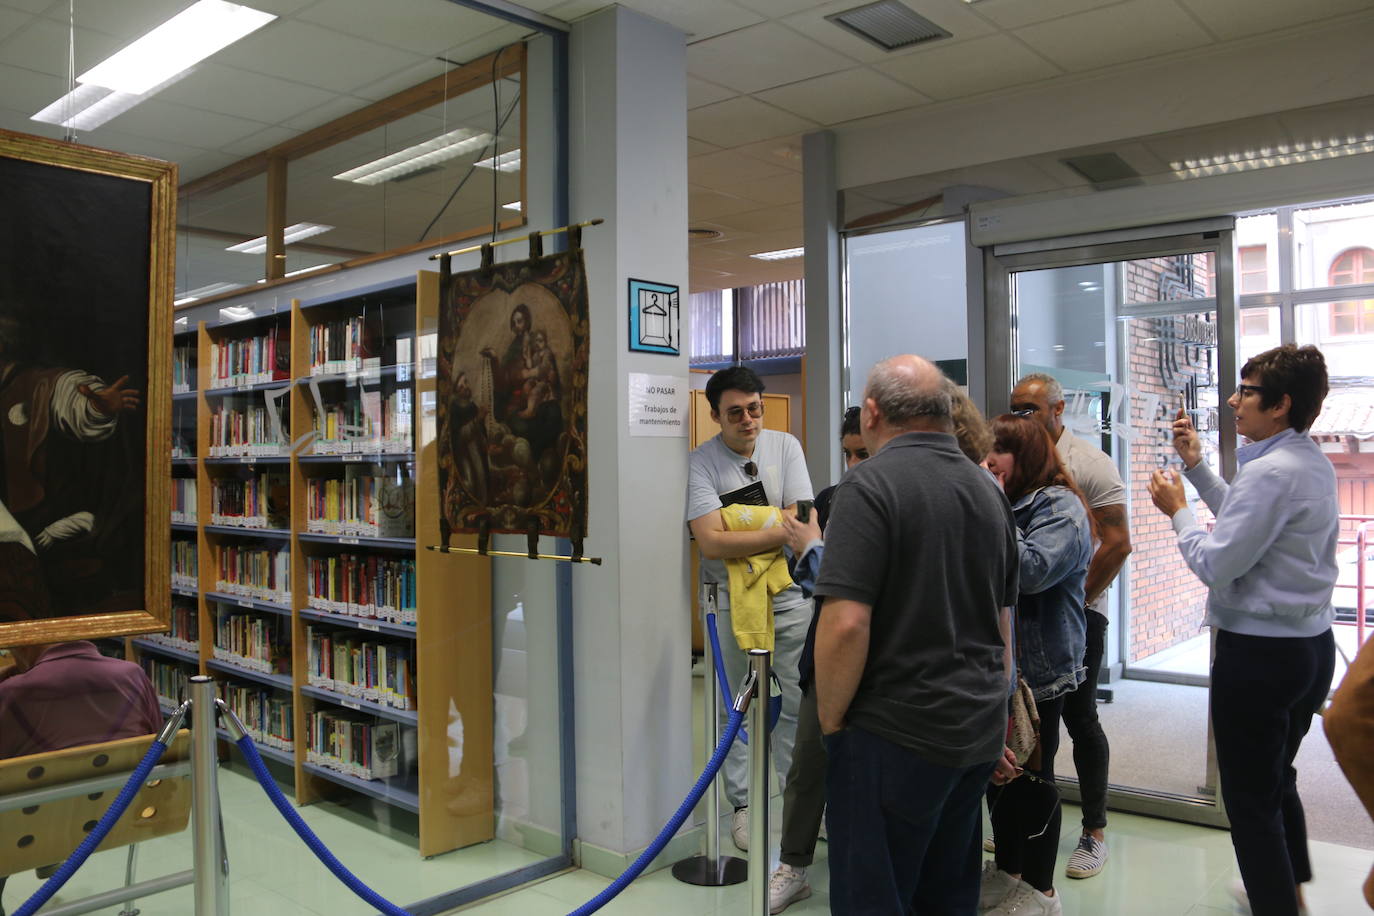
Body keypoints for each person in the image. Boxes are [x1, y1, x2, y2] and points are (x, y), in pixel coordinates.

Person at [812, 355, 1019, 915]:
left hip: (892, 735)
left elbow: (847, 622)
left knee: (873, 898)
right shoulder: (988, 493)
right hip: (972, 735)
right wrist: (994, 711)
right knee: (947, 894)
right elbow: (1002, 624)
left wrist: (833, 724)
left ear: (873, 413)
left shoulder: (868, 487)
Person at [1148, 344, 1337, 916]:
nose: (1233, 400)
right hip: (1308, 648)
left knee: (1250, 805)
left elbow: (1216, 562)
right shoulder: (1305, 459)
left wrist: (1178, 509)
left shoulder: (1273, 471)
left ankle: (1277, 903)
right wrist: (1198, 468)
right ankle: (1291, 892)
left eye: (1247, 391)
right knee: (1276, 777)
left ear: (1280, 404)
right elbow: (1252, 523)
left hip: (1259, 658)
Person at [1009, 372, 1132, 879]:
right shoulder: (1015, 463)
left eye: (1030, 409)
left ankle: (1094, 832)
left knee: (1080, 718)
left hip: (1080, 615)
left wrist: (1075, 600)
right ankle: (1032, 829)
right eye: (1014, 408)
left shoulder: (1090, 463)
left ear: (1058, 411)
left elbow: (1118, 542)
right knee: (1036, 729)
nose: (1021, 418)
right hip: (1028, 620)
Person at [686, 365, 813, 851]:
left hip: (788, 595)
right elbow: (712, 544)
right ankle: (742, 805)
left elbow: (805, 521)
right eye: (735, 412)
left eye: (754, 408)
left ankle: (801, 803)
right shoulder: (702, 463)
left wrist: (747, 526)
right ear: (714, 413)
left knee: (800, 702)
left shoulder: (786, 446)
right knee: (733, 707)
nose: (748, 419)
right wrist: (778, 528)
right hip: (728, 601)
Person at [979, 413, 1094, 916]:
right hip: (997, 666)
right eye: (984, 451)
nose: (988, 461)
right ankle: (1009, 873)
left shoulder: (1060, 506)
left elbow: (1029, 571)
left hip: (1042, 668)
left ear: (1024, 457)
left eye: (999, 451)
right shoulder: (1005, 502)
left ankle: (1042, 890)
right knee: (997, 775)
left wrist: (986, 506)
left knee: (1033, 776)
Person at [766, 404, 867, 914]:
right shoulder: (828, 501)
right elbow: (807, 580)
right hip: (824, 655)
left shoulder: (896, 503)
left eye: (864, 453)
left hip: (881, 668)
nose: (854, 464)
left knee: (866, 777)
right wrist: (807, 546)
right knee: (807, 764)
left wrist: (816, 553)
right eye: (848, 453)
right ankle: (793, 865)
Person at [0, 640, 163, 914]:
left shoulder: (11, 693)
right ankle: (51, 853)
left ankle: (47, 851)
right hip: (119, 816)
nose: (7, 654)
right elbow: (158, 745)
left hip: (28, 831)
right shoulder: (133, 675)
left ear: (26, 640)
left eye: (8, 648)